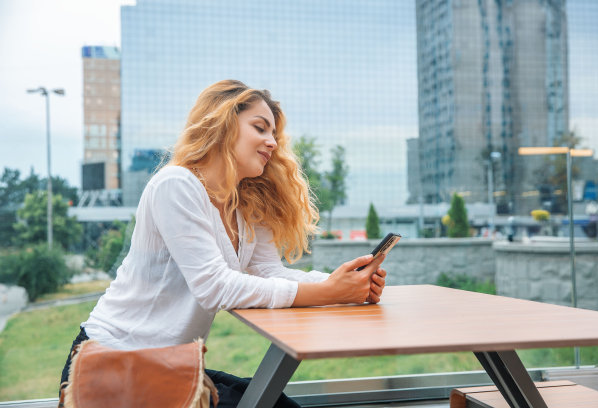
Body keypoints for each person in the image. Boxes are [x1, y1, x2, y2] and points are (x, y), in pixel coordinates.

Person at [59, 80, 387, 407]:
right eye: (260, 128)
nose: (272, 142)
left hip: (170, 363)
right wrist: (330, 292)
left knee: (275, 403)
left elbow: (267, 271)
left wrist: (341, 282)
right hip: (113, 362)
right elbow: (214, 286)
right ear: (223, 123)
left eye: (274, 134)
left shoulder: (244, 204)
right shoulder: (176, 184)